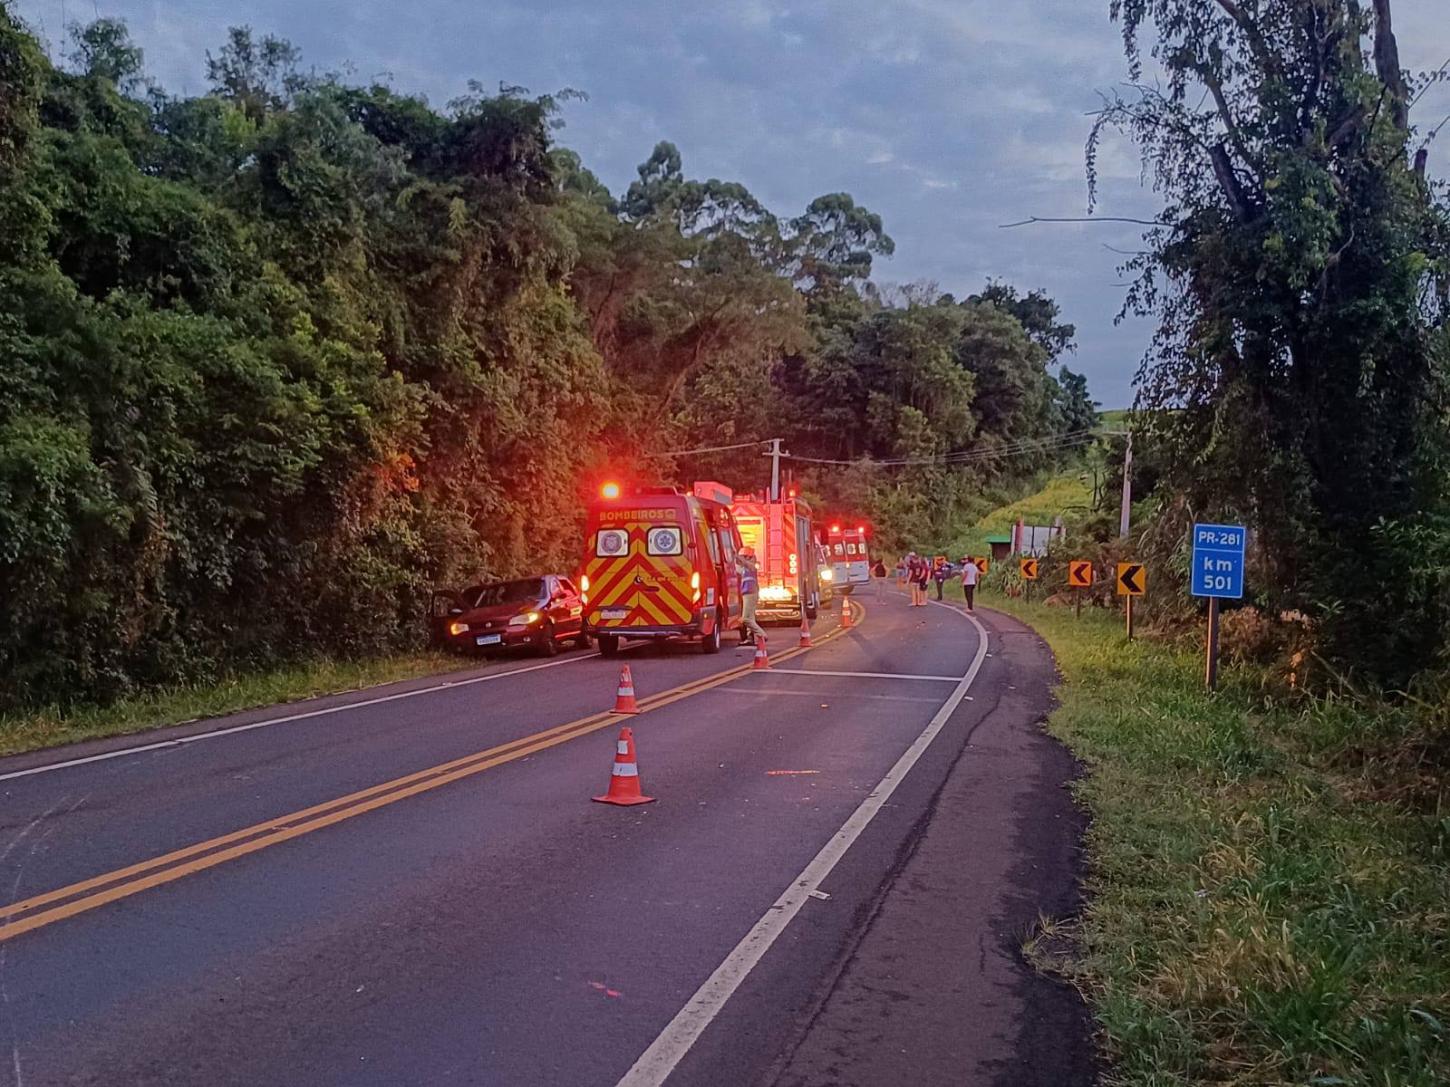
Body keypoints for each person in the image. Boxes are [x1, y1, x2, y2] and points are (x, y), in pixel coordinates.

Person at [738, 547, 768, 645]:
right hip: (748, 593)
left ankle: (762, 635)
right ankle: (750, 638)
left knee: (746, 619)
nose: (741, 559)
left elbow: (746, 564)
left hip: (750, 594)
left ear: (747, 557)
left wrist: (737, 557)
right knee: (750, 618)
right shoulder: (744, 567)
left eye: (743, 556)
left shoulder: (752, 566)